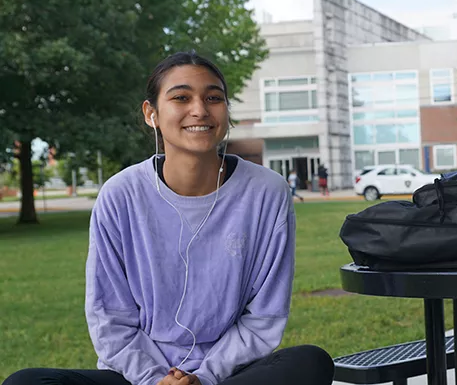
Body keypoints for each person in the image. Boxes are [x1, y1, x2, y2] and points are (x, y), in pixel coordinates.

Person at [3, 52, 333, 385]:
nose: (200, 110)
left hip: (228, 376)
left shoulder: (267, 193)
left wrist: (202, 378)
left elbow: (264, 317)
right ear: (152, 114)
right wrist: (154, 380)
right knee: (26, 382)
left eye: (214, 98)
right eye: (181, 97)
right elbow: (110, 318)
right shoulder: (120, 195)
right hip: (137, 377)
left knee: (310, 362)